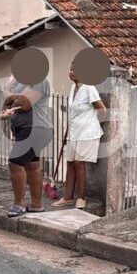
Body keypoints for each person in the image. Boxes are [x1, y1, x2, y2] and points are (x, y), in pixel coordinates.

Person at [2, 53, 53, 217]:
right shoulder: (19, 81)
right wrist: (12, 96)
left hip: (35, 128)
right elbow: (6, 100)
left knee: (15, 162)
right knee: (32, 165)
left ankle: (19, 205)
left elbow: (24, 104)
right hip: (24, 128)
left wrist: (12, 97)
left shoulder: (39, 80)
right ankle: (37, 205)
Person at [52, 66, 106, 209]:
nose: (71, 72)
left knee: (78, 163)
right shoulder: (73, 88)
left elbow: (101, 109)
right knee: (70, 162)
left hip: (87, 133)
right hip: (74, 132)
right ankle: (68, 197)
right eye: (70, 69)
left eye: (75, 69)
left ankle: (81, 198)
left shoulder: (89, 88)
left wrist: (93, 123)